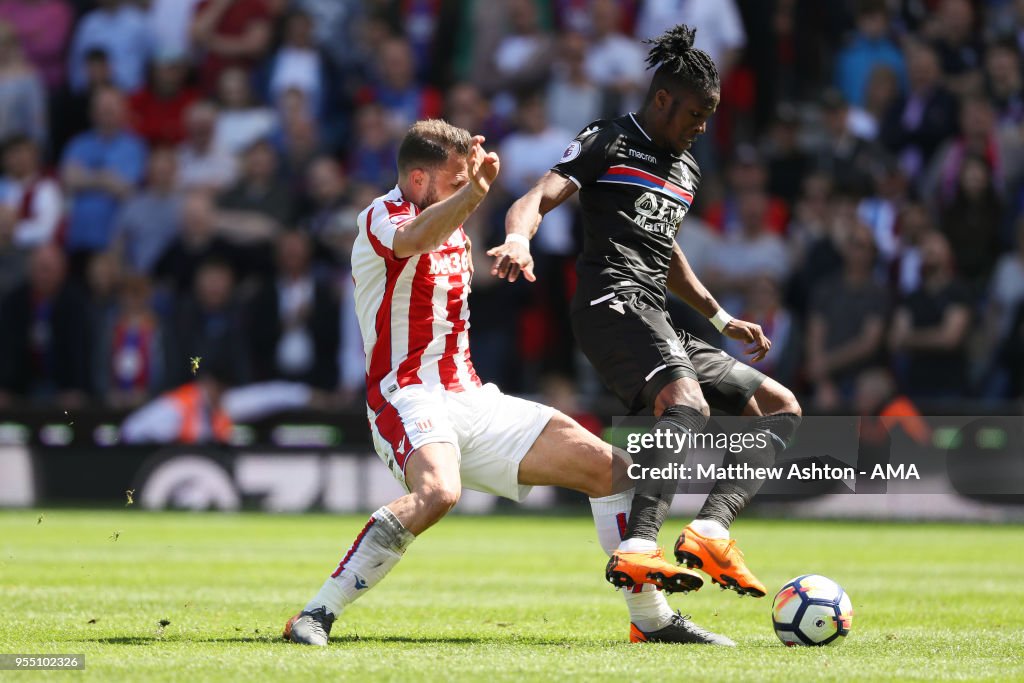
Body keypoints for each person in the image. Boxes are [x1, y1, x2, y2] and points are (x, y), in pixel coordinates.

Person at [283, 119, 735, 648]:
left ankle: (651, 619)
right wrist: (475, 193)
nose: (466, 188)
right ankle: (316, 612)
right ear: (420, 180)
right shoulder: (382, 216)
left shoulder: (452, 220)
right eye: (454, 181)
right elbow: (412, 240)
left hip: (471, 398)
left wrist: (515, 246)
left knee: (613, 471)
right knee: (439, 493)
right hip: (405, 396)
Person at [493, 24, 802, 618]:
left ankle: (710, 531)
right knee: (687, 404)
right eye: (696, 112)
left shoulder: (686, 169)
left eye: (710, 115)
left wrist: (719, 314)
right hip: (609, 303)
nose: (703, 126)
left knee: (781, 407)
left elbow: (668, 251)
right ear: (663, 99)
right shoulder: (609, 138)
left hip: (656, 312)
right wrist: (517, 238)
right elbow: (537, 195)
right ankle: (639, 544)